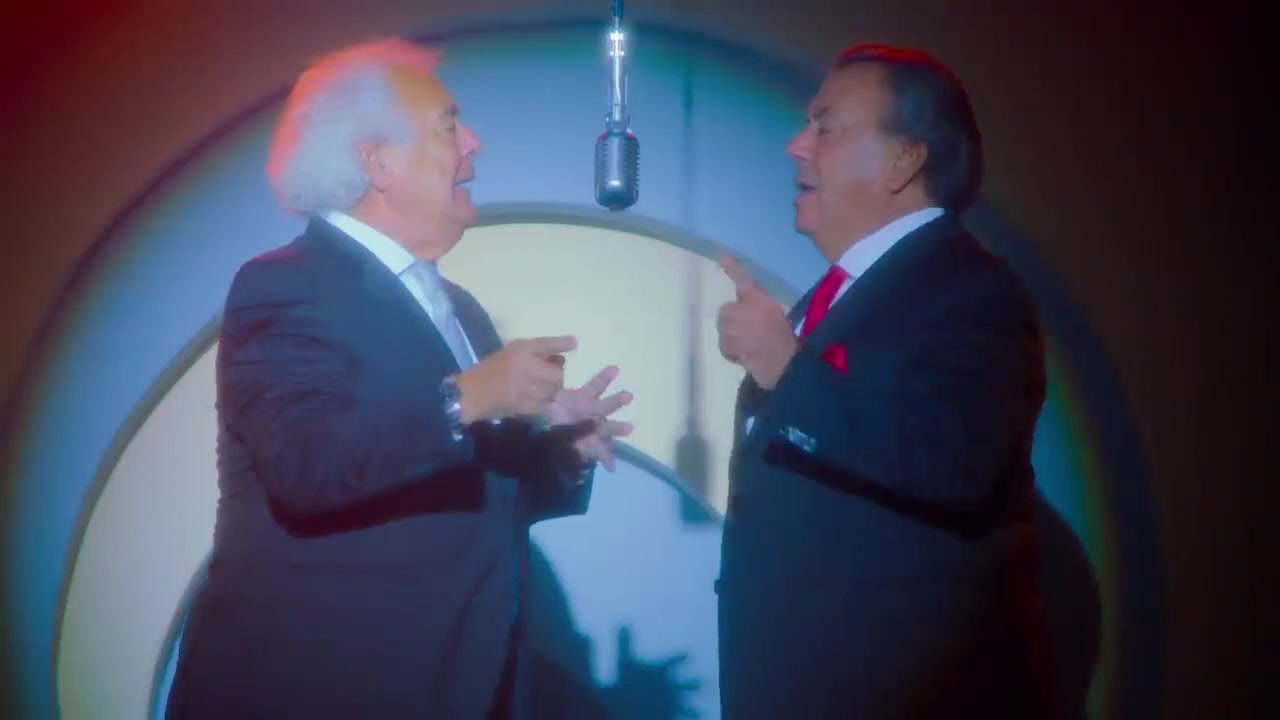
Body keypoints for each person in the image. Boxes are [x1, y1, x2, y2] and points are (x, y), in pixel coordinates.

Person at [164, 38, 632, 720]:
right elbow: (306, 466)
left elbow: (471, 502)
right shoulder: (284, 286)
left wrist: (563, 451)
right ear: (376, 161)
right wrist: (470, 397)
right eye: (449, 126)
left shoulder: (461, 310)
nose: (473, 143)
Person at [715, 44, 1052, 718]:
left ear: (904, 160)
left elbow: (958, 462)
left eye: (826, 127)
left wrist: (789, 372)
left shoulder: (971, 290)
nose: (796, 146)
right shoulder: (832, 297)